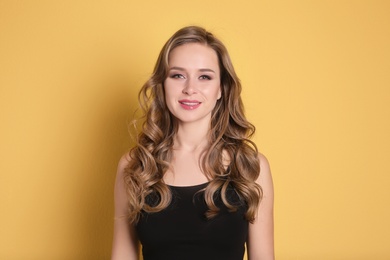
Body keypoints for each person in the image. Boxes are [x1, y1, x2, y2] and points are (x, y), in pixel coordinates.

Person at [111, 26, 274, 260]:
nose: (190, 89)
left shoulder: (250, 166)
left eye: (204, 77)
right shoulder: (135, 166)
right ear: (162, 84)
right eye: (178, 75)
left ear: (221, 89)